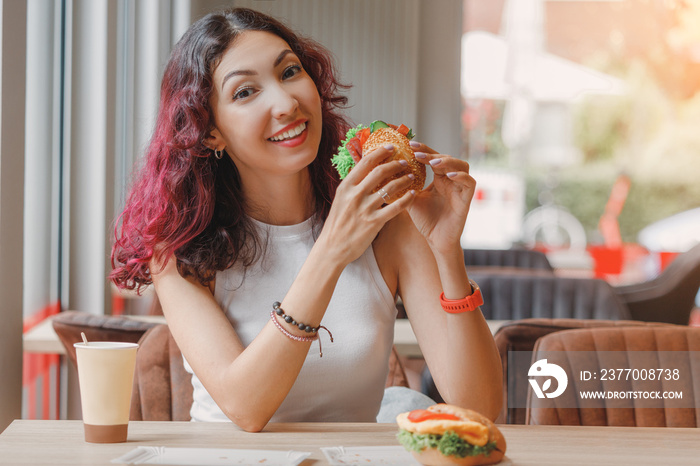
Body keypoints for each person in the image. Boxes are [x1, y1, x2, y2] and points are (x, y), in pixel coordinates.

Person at [111, 7, 502, 432]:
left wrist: (447, 251)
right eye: (245, 92)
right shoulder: (180, 251)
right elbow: (246, 409)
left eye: (290, 72)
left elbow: (480, 408)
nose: (285, 103)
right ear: (209, 132)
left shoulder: (388, 223)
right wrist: (331, 252)